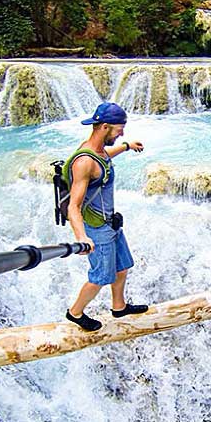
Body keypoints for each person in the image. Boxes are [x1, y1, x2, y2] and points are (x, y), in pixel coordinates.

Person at [64, 102, 148, 331]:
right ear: (104, 127)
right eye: (119, 129)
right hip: (96, 229)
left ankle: (118, 307)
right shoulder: (84, 162)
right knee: (100, 276)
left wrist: (126, 146)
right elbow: (73, 206)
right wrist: (82, 237)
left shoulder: (98, 151)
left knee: (122, 266)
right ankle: (75, 312)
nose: (122, 132)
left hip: (111, 224)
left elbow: (105, 157)